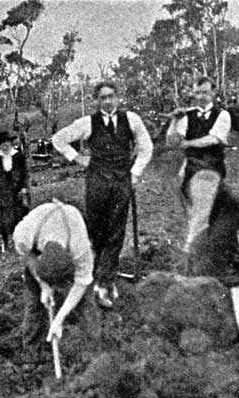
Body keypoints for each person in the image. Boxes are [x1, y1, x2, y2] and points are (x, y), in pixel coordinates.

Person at [52, 81, 153, 308]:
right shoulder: (87, 123)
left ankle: (105, 283)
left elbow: (146, 148)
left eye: (111, 96)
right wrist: (78, 158)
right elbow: (58, 139)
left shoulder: (132, 120)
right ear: (96, 101)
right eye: (103, 98)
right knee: (97, 233)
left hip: (121, 182)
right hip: (97, 183)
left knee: (116, 233)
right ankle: (95, 276)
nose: (107, 101)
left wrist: (135, 175)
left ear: (118, 98)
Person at [13, 198, 95, 365]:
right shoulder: (24, 233)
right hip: (37, 243)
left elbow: (81, 282)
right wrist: (43, 286)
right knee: (35, 303)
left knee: (85, 303)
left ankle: (94, 355)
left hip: (70, 223)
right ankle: (31, 354)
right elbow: (27, 257)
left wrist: (59, 319)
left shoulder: (80, 250)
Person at [165, 76, 233, 259]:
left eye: (205, 92)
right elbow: (172, 142)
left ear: (213, 93)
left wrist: (187, 143)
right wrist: (174, 121)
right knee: (197, 211)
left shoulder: (222, 115)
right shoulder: (188, 115)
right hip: (191, 170)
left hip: (212, 169)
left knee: (212, 211)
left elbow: (213, 139)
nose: (201, 97)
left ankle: (193, 250)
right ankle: (197, 252)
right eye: (197, 93)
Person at [0, 131, 30, 252]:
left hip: (17, 189)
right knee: (4, 218)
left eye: (7, 143)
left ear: (11, 143)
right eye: (2, 144)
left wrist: (24, 187)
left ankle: (21, 241)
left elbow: (24, 174)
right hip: (2, 191)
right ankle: (5, 242)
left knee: (20, 215)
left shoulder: (19, 156)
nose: (5, 146)